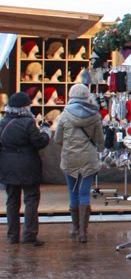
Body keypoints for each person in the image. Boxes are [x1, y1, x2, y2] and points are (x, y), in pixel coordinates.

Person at [53, 81, 105, 244]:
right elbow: (99, 140)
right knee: (84, 193)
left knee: (73, 192)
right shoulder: (95, 116)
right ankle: (84, 232)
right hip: (88, 158)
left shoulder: (64, 115)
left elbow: (57, 139)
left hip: (70, 158)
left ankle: (75, 228)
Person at [0, 92, 51, 245]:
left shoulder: (3, 122)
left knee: (12, 201)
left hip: (8, 166)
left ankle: (12, 236)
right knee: (31, 199)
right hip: (28, 165)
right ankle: (29, 235)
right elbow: (39, 142)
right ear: (24, 107)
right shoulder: (29, 123)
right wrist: (45, 131)